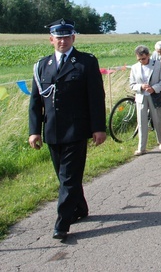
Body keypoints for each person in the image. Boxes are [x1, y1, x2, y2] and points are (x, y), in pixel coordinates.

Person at [28, 19, 106, 241]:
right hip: (52, 131)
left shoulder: (85, 62)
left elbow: (96, 98)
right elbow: (35, 102)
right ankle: (79, 207)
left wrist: (98, 128)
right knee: (64, 178)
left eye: (66, 37)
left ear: (73, 38)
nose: (62, 41)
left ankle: (62, 223)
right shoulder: (42, 66)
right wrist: (34, 131)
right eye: (58, 37)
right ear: (51, 39)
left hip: (77, 130)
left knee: (69, 178)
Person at [129, 45, 161, 155]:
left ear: (148, 56)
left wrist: (154, 89)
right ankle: (141, 147)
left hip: (154, 96)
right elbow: (132, 84)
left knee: (157, 120)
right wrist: (140, 86)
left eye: (143, 59)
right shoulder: (134, 67)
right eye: (139, 59)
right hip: (141, 97)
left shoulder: (157, 65)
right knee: (141, 122)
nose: (141, 61)